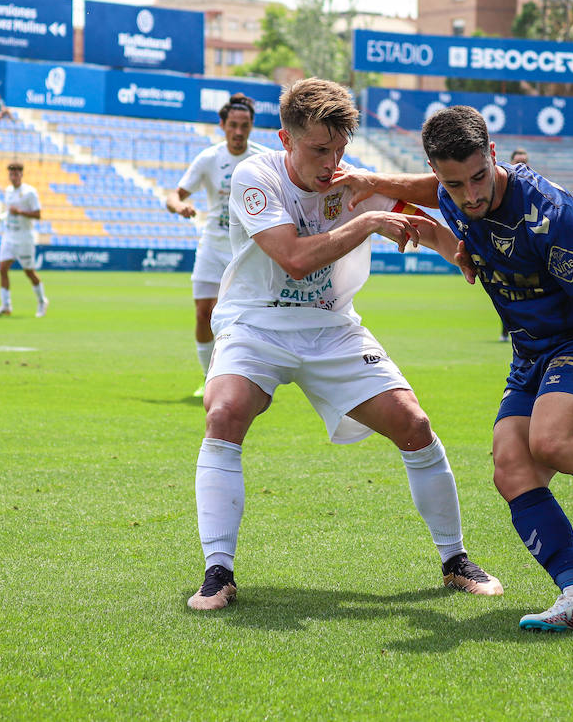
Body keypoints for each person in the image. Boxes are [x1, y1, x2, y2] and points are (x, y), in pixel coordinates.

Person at [334, 106, 573, 633]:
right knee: (510, 466)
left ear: (493, 155)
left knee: (551, 441)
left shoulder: (548, 211)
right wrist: (378, 187)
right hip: (530, 353)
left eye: (479, 177)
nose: (471, 194)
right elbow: (430, 191)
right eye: (455, 184)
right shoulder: (452, 195)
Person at [187, 78, 502, 612]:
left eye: (339, 148)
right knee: (225, 411)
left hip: (332, 325)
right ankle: (219, 570)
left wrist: (467, 260)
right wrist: (371, 221)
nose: (332, 162)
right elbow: (293, 257)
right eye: (318, 149)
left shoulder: (354, 180)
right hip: (256, 323)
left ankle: (455, 560)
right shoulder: (254, 175)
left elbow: (423, 227)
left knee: (415, 425)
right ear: (286, 140)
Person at [167, 93, 269, 398]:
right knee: (202, 314)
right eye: (233, 125)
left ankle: (248, 377)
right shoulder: (209, 159)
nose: (239, 132)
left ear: (251, 127)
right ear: (222, 125)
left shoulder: (263, 159)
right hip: (212, 245)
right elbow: (174, 195)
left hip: (248, 250)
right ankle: (207, 377)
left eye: (245, 126)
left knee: (247, 318)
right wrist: (180, 207)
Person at [0, 161, 48, 318]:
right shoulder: (8, 191)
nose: (13, 177)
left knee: (29, 272)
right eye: (11, 174)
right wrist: (1, 217)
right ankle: (5, 305)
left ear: (21, 175)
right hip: (9, 235)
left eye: (16, 174)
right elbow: (10, 212)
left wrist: (20, 212)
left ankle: (42, 301)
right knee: (2, 269)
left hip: (24, 237)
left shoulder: (30, 193)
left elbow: (38, 215)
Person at [497, 147, 533, 341]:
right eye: (518, 162)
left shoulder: (534, 189)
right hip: (504, 249)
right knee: (507, 293)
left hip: (528, 249)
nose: (521, 166)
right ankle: (507, 331)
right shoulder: (498, 189)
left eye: (524, 162)